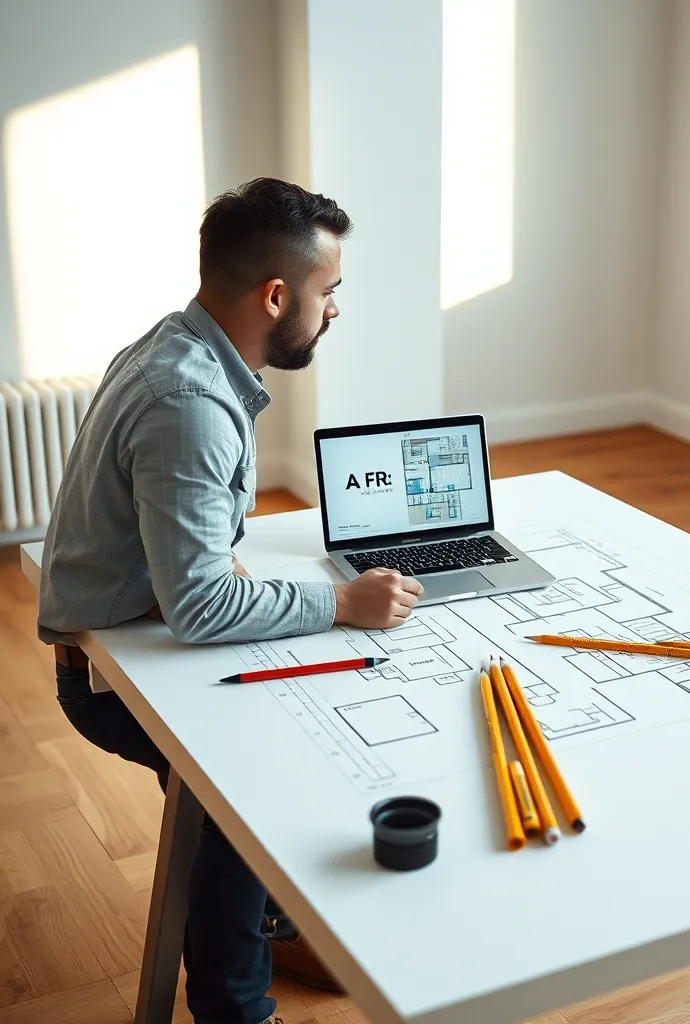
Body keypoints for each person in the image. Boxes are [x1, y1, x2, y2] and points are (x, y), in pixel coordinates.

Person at [37, 178, 423, 1024]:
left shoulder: (178, 344)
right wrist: (342, 605)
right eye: (329, 293)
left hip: (124, 626)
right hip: (109, 679)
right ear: (277, 295)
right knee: (250, 789)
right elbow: (203, 609)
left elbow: (184, 557)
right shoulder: (191, 401)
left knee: (270, 764)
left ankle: (261, 918)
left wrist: (199, 574)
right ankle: (233, 1005)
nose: (334, 313)